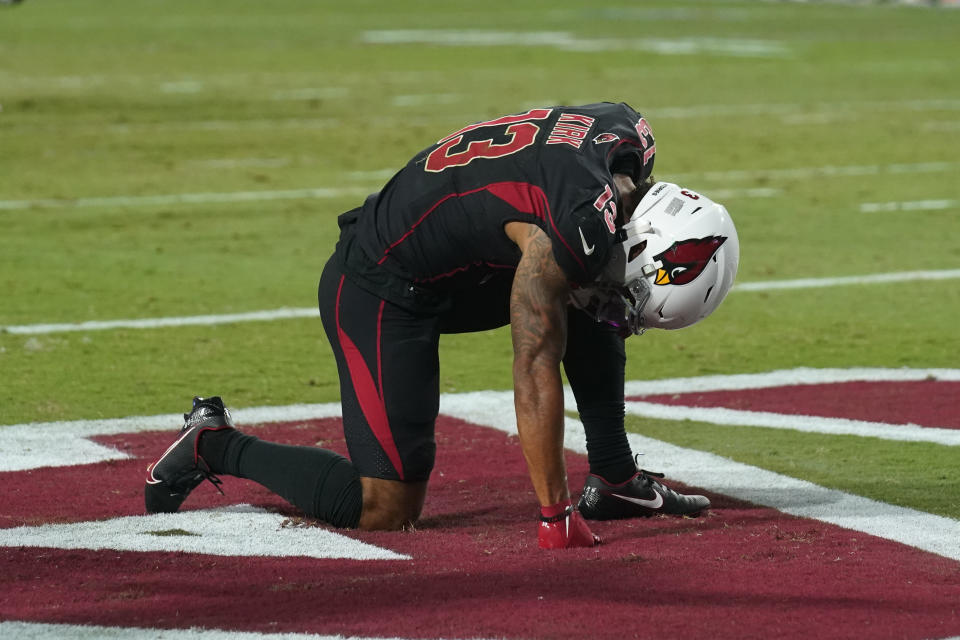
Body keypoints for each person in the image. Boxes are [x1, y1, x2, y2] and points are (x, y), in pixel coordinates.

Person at [145, 102, 739, 549]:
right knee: (385, 506)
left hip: (457, 260)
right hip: (379, 282)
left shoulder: (626, 143)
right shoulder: (573, 224)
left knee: (586, 293)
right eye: (633, 300)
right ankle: (213, 444)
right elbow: (532, 362)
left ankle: (614, 476)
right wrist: (554, 515)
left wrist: (602, 286)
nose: (625, 317)